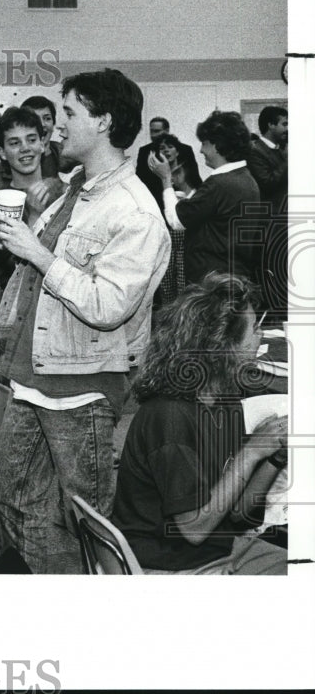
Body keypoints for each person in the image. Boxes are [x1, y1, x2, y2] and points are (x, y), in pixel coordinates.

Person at [0, 68, 171, 574]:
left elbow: (109, 306)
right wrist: (19, 239)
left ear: (104, 121)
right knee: (12, 507)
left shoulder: (135, 212)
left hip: (82, 389)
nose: (57, 127)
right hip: (33, 378)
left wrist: (37, 255)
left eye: (68, 113)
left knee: (81, 522)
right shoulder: (75, 190)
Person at [111, 273, 287, 574]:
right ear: (223, 348)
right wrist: (251, 452)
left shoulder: (222, 398)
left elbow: (237, 512)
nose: (260, 336)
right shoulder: (170, 418)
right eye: (255, 328)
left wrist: (274, 456)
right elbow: (194, 530)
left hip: (216, 547)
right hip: (171, 564)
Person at [148, 110, 261, 286]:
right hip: (232, 275)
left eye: (204, 144)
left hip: (211, 280)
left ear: (217, 145)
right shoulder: (246, 177)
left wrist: (165, 178)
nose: (201, 150)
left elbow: (176, 220)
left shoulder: (219, 183)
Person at [0, 108, 65, 289]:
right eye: (14, 143)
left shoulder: (64, 193)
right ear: (2, 152)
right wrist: (34, 217)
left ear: (42, 144)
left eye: (31, 139)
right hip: (16, 307)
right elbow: (11, 270)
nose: (25, 148)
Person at [246, 105, 288, 322]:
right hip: (269, 227)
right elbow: (268, 183)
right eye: (284, 123)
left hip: (285, 224)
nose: (287, 128)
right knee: (270, 278)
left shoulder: (279, 149)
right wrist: (288, 158)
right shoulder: (255, 151)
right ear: (270, 125)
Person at [152, 135, 202, 304]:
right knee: (166, 282)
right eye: (161, 147)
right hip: (165, 234)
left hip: (183, 236)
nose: (165, 150)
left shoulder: (186, 167)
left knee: (183, 281)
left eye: (170, 146)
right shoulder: (153, 174)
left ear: (178, 150)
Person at [134, 116, 170, 212]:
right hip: (152, 205)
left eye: (157, 131)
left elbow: (193, 180)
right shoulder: (143, 151)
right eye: (151, 131)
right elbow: (139, 179)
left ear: (167, 131)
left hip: (174, 203)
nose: (153, 135)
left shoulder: (184, 150)